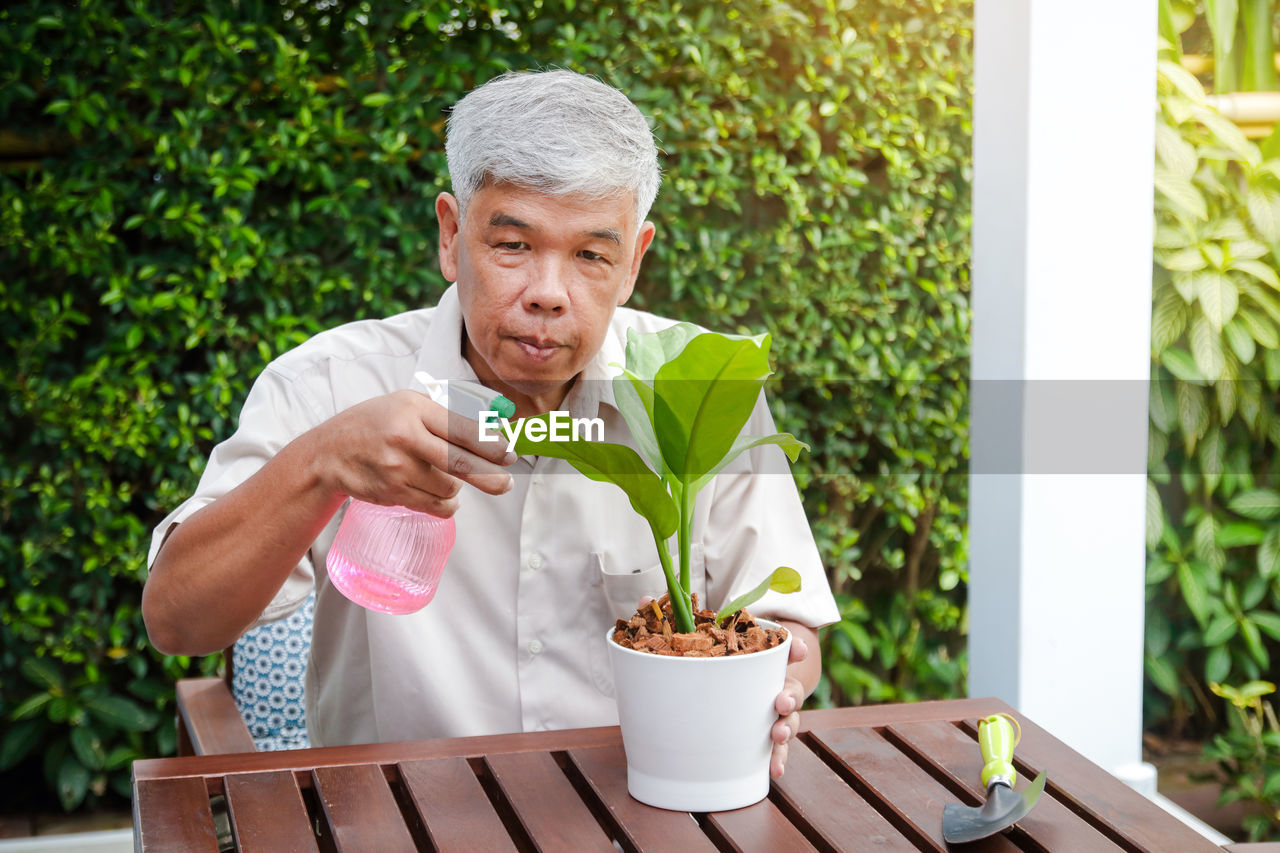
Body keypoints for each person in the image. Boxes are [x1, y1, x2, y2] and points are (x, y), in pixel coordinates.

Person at [142, 69, 839, 778]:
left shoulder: (698, 385)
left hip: (646, 811)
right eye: (512, 245)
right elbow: (178, 622)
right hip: (395, 820)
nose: (547, 294)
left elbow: (788, 628)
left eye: (591, 256)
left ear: (634, 262)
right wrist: (320, 462)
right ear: (450, 235)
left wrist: (779, 677)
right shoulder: (328, 383)